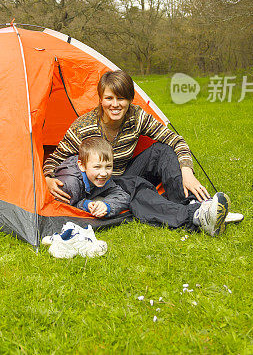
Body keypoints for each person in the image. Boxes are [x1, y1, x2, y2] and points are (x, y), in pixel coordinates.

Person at [43, 70, 238, 236]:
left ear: (130, 99)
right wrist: (48, 179)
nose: (115, 104)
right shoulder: (84, 127)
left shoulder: (136, 117)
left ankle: (196, 204)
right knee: (136, 187)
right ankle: (195, 215)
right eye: (109, 98)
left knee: (162, 150)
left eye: (121, 98)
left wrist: (186, 171)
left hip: (127, 170)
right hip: (103, 183)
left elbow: (175, 139)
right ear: (101, 99)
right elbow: (55, 158)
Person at [54, 137, 129, 219]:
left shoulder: (101, 176)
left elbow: (122, 195)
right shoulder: (70, 183)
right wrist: (86, 205)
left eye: (108, 166)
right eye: (97, 167)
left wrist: (107, 206)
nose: (104, 173)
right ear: (82, 166)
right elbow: (64, 207)